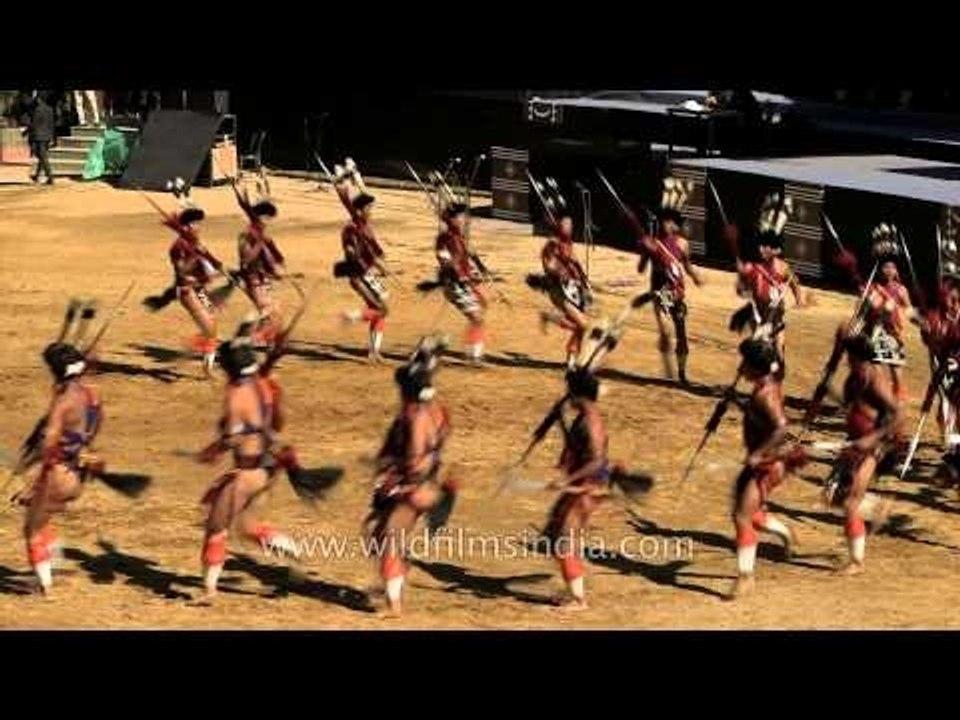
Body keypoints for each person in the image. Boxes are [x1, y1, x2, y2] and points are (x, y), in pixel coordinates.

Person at [195, 336, 300, 601]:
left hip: (246, 474)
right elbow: (277, 421)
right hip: (268, 468)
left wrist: (212, 451)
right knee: (248, 526)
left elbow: (232, 437)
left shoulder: (235, 396)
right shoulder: (265, 385)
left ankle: (209, 591)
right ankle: (287, 546)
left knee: (216, 527)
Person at [363, 337, 459, 615]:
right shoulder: (433, 410)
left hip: (415, 487)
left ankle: (394, 603)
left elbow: (415, 463)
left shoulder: (414, 418)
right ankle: (392, 585)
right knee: (382, 536)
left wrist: (392, 480)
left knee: (388, 539)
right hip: (424, 485)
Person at [19, 343, 101, 595]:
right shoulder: (91, 395)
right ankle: (53, 565)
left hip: (57, 475)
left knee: (31, 529)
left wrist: (34, 482)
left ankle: (46, 588)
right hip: (78, 475)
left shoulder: (63, 401)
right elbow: (85, 433)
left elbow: (49, 444)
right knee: (42, 519)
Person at [728, 338, 805, 599]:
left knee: (741, 516)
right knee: (751, 513)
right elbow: (759, 417)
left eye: (745, 363)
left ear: (755, 367)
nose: (741, 367)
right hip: (763, 462)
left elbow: (781, 426)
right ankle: (786, 533)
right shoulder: (764, 386)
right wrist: (736, 403)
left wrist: (759, 454)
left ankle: (745, 578)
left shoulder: (766, 394)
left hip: (768, 465)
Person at [822, 333, 901, 574]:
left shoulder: (875, 381)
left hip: (874, 446)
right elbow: (851, 406)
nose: (847, 361)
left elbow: (897, 416)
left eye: (850, 357)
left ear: (860, 358)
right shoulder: (853, 380)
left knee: (850, 503)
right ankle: (875, 505)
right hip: (854, 443)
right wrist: (829, 390)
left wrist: (872, 440)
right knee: (831, 496)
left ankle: (856, 561)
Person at [728, 193, 812, 385]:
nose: (762, 249)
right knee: (755, 356)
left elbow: (795, 283)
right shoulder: (753, 268)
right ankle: (752, 384)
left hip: (777, 320)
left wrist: (799, 299)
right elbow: (741, 289)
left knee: (779, 354)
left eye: (768, 246)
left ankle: (776, 386)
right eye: (761, 245)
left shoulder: (783, 267)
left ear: (777, 250)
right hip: (759, 320)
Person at [635, 178, 704, 383]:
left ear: (676, 224)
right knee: (665, 331)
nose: (666, 224)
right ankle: (667, 367)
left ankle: (681, 373)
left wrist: (696, 276)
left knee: (681, 335)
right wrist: (643, 252)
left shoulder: (683, 244)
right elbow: (640, 269)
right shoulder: (653, 245)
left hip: (677, 293)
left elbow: (688, 267)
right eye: (664, 220)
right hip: (660, 294)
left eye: (670, 221)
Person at [335, 166, 390, 362]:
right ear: (360, 210)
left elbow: (353, 198)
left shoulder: (362, 225)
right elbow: (353, 255)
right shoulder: (352, 229)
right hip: (358, 275)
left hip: (367, 273)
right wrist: (375, 263)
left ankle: (373, 351)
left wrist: (353, 178)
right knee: (382, 308)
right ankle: (352, 316)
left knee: (381, 305)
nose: (371, 211)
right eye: (368, 209)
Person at [533, 205, 593, 370]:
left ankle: (571, 362)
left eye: (571, 224)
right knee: (583, 325)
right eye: (566, 224)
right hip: (560, 291)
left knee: (581, 328)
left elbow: (575, 263)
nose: (569, 227)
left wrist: (584, 280)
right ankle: (550, 316)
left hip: (574, 289)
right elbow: (549, 267)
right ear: (558, 224)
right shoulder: (552, 245)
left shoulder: (567, 243)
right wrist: (559, 270)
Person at [436, 203, 488, 364]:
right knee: (477, 317)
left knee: (480, 310)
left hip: (463, 283)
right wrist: (462, 274)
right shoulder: (444, 238)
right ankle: (473, 356)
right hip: (454, 284)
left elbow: (470, 252)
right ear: (452, 219)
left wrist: (480, 267)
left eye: (464, 217)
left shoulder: (459, 236)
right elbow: (444, 260)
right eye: (461, 217)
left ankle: (473, 354)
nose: (464, 220)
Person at [27, 92, 55, 185]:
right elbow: (51, 125)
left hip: (39, 136)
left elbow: (34, 124)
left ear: (39, 99)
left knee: (42, 156)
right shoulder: (50, 109)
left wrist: (26, 132)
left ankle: (50, 177)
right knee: (42, 156)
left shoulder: (37, 110)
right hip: (47, 136)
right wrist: (52, 137)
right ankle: (37, 175)